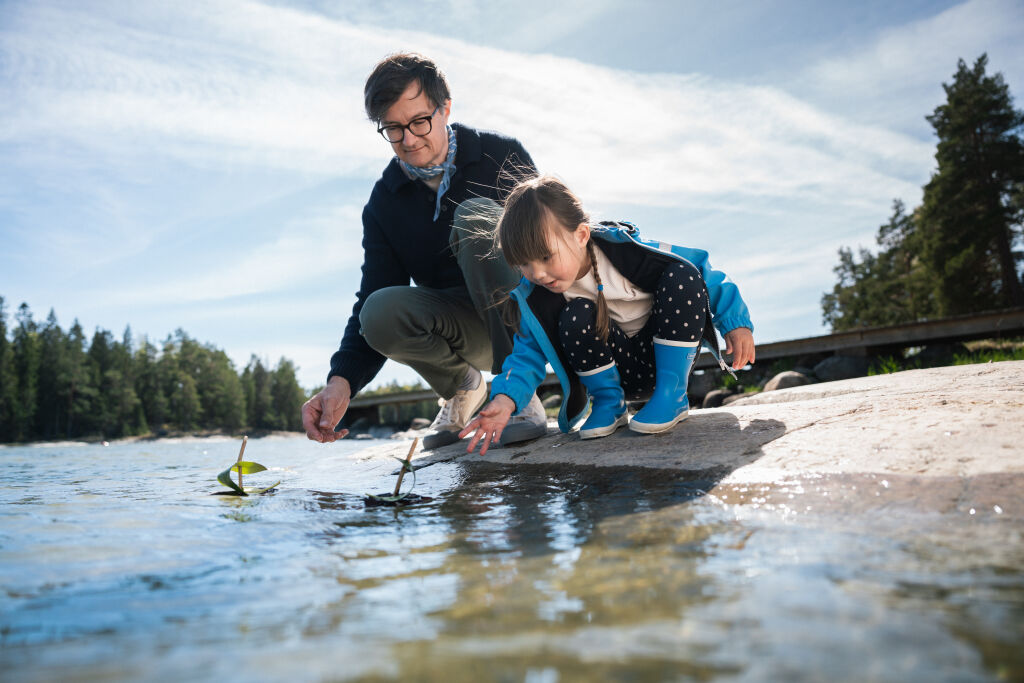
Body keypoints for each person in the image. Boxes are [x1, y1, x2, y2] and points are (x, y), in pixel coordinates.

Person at [301, 53, 548, 449]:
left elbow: (551, 244)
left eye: (419, 122)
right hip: (465, 329)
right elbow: (372, 296)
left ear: (445, 108)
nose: (409, 140)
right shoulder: (385, 202)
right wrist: (340, 382)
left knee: (475, 219)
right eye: (394, 129)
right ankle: (464, 390)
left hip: (528, 320)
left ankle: (517, 393)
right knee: (378, 311)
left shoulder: (501, 155)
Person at [460, 175, 755, 455]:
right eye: (524, 264)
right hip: (615, 374)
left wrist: (734, 322)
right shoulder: (538, 297)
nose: (537, 273)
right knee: (576, 314)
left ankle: (672, 396)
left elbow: (698, 267)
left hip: (664, 360)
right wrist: (504, 398)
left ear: (581, 235)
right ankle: (608, 404)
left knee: (681, 275)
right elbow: (526, 354)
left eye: (546, 256)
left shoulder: (629, 250)